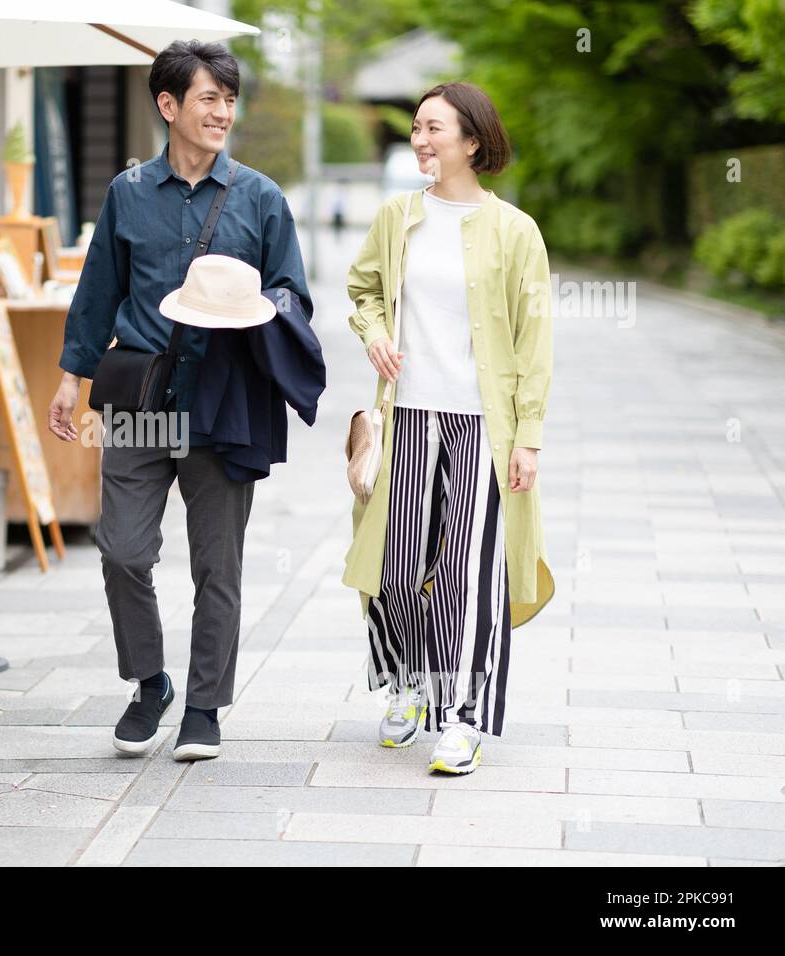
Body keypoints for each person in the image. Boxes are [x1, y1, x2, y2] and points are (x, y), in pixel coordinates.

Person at [47, 40, 312, 761]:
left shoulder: (260, 197)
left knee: (215, 565)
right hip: (140, 397)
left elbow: (295, 294)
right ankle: (149, 681)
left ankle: (204, 706)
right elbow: (99, 292)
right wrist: (72, 376)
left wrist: (254, 304)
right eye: (208, 97)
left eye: (230, 98)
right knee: (123, 550)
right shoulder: (128, 193)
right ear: (169, 106)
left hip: (224, 400)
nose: (223, 110)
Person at [342, 82, 555, 775]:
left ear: (473, 141)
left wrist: (528, 437)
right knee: (398, 569)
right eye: (416, 128)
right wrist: (375, 334)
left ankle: (460, 717)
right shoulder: (397, 216)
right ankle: (405, 685)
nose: (421, 139)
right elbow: (364, 290)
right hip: (406, 418)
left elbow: (534, 340)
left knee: (465, 574)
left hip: (480, 426)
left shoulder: (515, 231)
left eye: (435, 128)